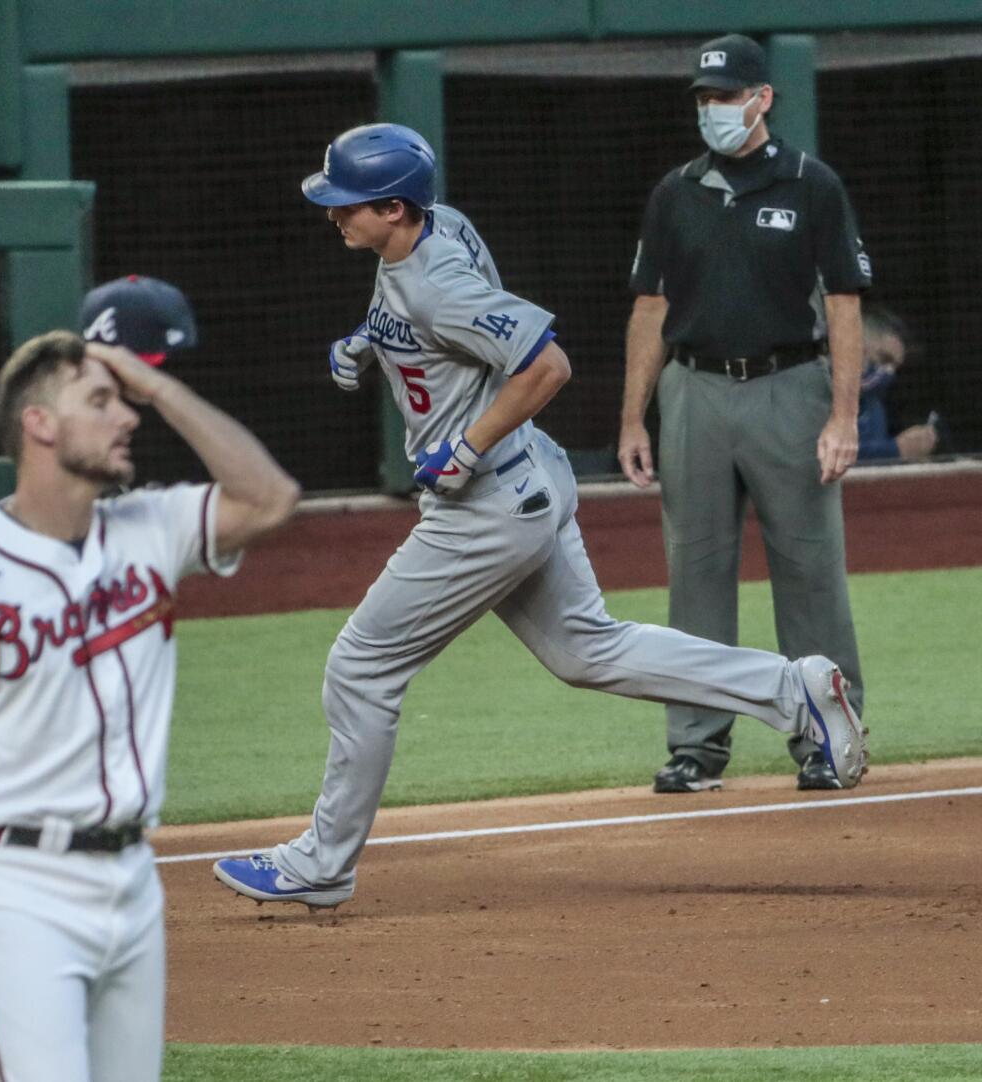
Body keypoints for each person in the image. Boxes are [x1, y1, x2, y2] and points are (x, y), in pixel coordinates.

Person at [212, 123, 867, 912]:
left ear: (392, 208)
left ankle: (322, 861)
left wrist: (463, 445)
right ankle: (792, 689)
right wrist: (366, 344)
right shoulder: (434, 228)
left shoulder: (436, 281)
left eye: (346, 205)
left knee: (361, 667)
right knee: (588, 650)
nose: (333, 216)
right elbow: (429, 326)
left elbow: (546, 364)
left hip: (485, 504)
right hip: (529, 479)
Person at [0, 277, 299, 1082]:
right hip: (15, 887)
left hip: (133, 881)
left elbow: (270, 498)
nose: (125, 416)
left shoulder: (151, 530)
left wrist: (155, 385)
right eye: (102, 400)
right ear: (39, 423)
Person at [617, 33, 873, 795]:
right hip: (691, 393)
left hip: (790, 388)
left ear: (762, 99)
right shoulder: (674, 192)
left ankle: (833, 736)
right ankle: (696, 745)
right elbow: (651, 306)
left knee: (810, 573)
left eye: (725, 96)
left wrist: (844, 416)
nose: (712, 110)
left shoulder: (811, 184)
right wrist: (634, 418)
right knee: (694, 575)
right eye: (703, 97)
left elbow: (845, 305)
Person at [858, 303, 938, 461]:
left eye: (894, 366)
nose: (888, 372)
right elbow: (815, 460)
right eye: (883, 358)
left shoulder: (875, 408)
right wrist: (896, 449)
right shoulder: (815, 394)